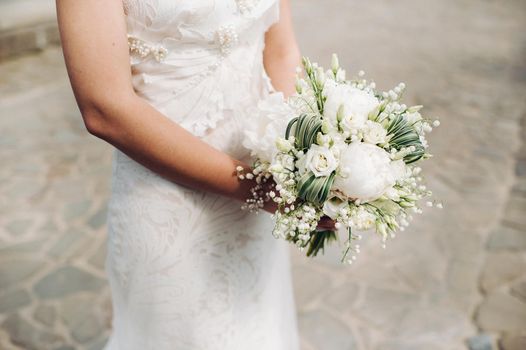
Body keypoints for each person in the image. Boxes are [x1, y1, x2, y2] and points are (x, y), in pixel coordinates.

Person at [56, 0, 335, 348]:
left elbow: (280, 50)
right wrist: (259, 191)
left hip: (262, 187)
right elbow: (104, 109)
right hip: (169, 204)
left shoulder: (272, 188)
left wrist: (307, 158)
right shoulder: (259, 193)